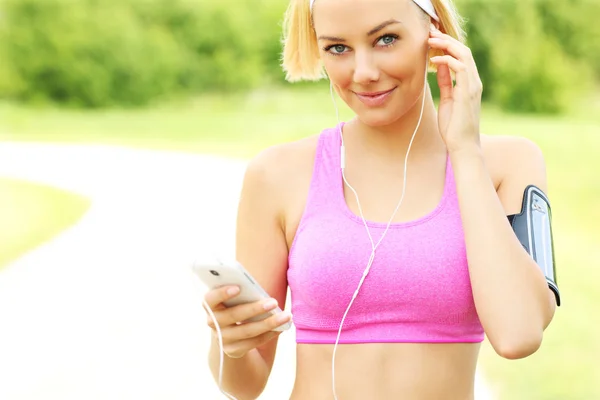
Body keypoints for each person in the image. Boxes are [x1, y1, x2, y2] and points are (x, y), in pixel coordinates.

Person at [202, 0, 559, 399]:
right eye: (338, 48)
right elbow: (245, 385)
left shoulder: (505, 164)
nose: (364, 72)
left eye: (386, 39)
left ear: (433, 32)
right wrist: (228, 341)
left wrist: (465, 151)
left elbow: (519, 334)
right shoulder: (276, 175)